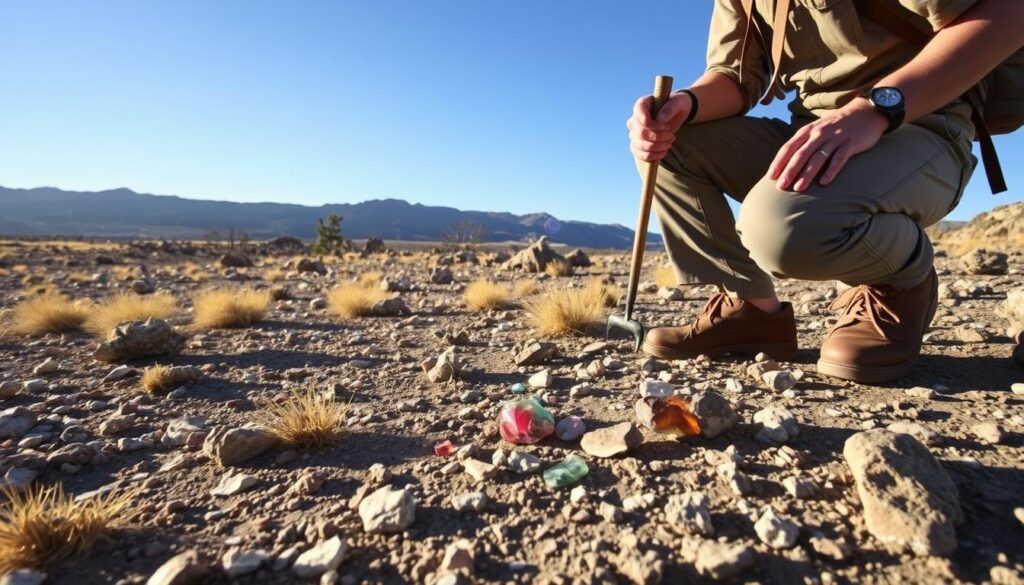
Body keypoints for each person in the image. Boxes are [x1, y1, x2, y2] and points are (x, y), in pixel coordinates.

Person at [626, 0, 1023, 383]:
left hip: (922, 124)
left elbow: (1009, 14)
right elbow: (734, 77)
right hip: (816, 131)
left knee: (782, 229)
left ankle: (901, 281)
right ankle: (752, 310)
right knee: (668, 145)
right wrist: (685, 104)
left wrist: (874, 110)